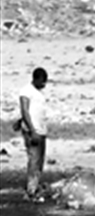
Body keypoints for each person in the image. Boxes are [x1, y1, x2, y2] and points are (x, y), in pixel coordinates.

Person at [16, 67, 49, 201]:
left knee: (40, 160)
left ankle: (35, 186)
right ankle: (31, 190)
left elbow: (33, 110)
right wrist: (32, 130)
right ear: (36, 78)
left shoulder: (38, 93)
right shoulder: (26, 91)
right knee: (34, 159)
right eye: (42, 81)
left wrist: (18, 121)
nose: (44, 84)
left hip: (41, 130)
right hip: (32, 131)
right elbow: (25, 110)